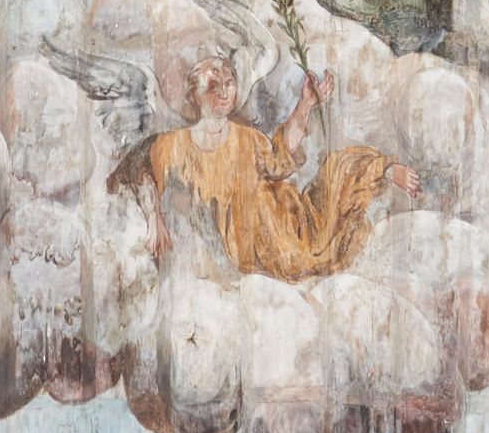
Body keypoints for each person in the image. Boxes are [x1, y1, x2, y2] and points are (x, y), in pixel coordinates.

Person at [144, 47, 411, 286]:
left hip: (290, 224)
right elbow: (145, 174)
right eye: (213, 87)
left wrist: (305, 104)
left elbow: (280, 159)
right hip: (258, 247)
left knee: (337, 169)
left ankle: (383, 170)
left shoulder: (247, 137)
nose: (225, 93)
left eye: (229, 83)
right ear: (196, 95)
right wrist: (154, 218)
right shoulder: (175, 143)